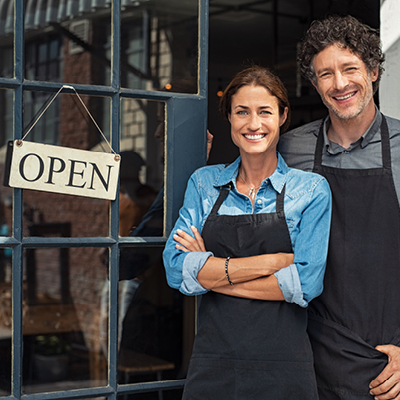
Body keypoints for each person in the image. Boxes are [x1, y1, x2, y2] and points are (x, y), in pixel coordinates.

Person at [163, 66, 332, 400]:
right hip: (214, 366)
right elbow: (174, 268)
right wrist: (273, 262)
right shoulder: (204, 183)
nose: (253, 124)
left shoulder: (310, 190)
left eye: (264, 112)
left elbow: (306, 284)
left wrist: (211, 274)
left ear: (283, 116)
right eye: (242, 112)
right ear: (229, 118)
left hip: (285, 369)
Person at [278, 15, 400, 400]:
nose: (340, 83)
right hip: (304, 349)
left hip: (385, 357)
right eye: (325, 74)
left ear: (374, 70)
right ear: (314, 84)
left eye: (350, 68)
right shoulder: (289, 149)